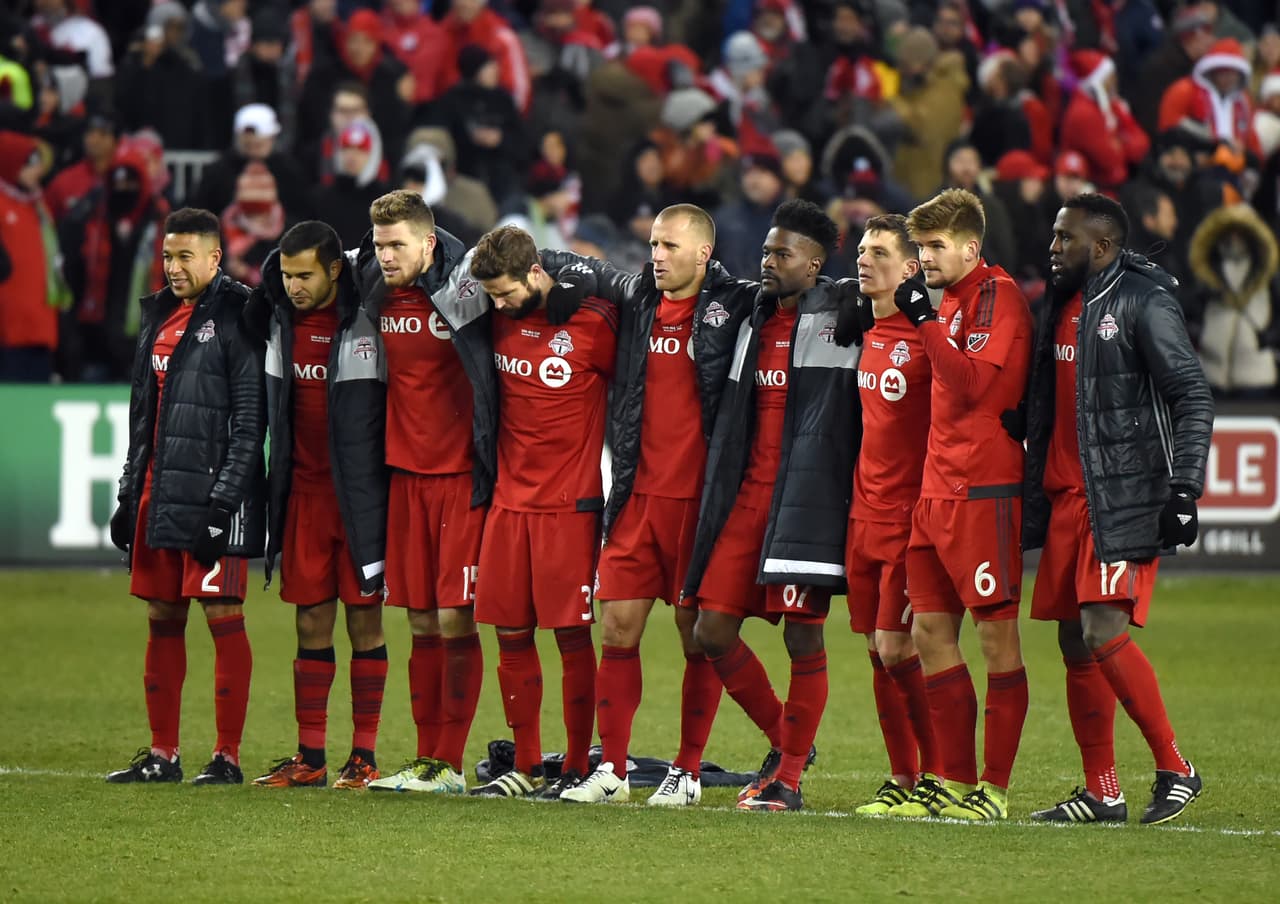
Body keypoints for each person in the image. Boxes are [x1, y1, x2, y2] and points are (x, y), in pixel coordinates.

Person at [548, 204, 755, 805]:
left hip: (698, 504)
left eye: (669, 246)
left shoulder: (735, 305)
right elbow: (582, 266)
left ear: (704, 254)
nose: (657, 256)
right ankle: (612, 770)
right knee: (616, 628)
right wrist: (545, 268)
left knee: (696, 637)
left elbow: (796, 292)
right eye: (654, 244)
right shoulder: (639, 299)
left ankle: (687, 772)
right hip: (637, 496)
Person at [1025, 194, 1214, 824]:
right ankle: (1101, 791)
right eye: (1054, 236)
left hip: (1123, 495)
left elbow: (1192, 394)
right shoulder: (1059, 303)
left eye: (1065, 238)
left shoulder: (1143, 300)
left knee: (1102, 629)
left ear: (1102, 246)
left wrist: (1184, 489)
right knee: (1073, 640)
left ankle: (1176, 767)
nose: (1053, 248)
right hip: (1066, 497)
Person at [681, 200, 863, 812]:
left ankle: (786, 781)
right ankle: (790, 745)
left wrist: (852, 292)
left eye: (782, 254)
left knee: (803, 641)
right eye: (765, 250)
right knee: (711, 629)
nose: (767, 261)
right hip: (747, 499)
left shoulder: (842, 315)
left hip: (805, 503)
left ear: (813, 265)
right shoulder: (750, 315)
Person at [105, 207, 266, 786]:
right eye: (168, 256)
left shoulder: (239, 313)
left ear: (215, 258)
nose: (173, 267)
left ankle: (227, 757)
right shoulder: (157, 314)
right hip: (160, 489)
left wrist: (224, 506)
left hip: (212, 496)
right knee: (162, 616)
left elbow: (250, 421)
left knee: (223, 616)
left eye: (185, 257)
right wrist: (129, 493)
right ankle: (162, 754)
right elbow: (142, 416)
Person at [887, 188, 1032, 820]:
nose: (925, 257)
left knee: (997, 642)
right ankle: (951, 780)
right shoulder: (945, 301)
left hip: (983, 491)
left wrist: (922, 321)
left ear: (971, 247)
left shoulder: (998, 297)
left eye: (936, 246)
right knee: (928, 633)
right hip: (935, 490)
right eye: (920, 247)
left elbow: (971, 384)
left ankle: (993, 790)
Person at [347, 191, 491, 795]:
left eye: (397, 245)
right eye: (379, 244)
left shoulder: (465, 291)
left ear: (429, 243)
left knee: (457, 618)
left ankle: (448, 763)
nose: (385, 255)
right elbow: (306, 264)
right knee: (421, 620)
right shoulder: (373, 287)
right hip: (404, 477)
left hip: (460, 479)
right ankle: (425, 757)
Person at [467, 225, 616, 800]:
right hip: (507, 505)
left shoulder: (595, 322)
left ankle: (577, 765)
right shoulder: (495, 320)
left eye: (505, 292)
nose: (498, 304)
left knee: (571, 638)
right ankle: (526, 766)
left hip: (569, 507)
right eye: (491, 296)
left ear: (535, 273)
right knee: (510, 635)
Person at [248, 221, 390, 790]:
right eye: (286, 275)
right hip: (303, 496)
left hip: (359, 498)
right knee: (309, 619)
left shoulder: (368, 319)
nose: (294, 285)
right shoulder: (277, 319)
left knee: (364, 619)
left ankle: (364, 756)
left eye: (305, 275)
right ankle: (310, 756)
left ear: (335, 269)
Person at [840, 215, 940, 816]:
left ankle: (937, 774)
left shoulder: (924, 337)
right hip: (863, 514)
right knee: (877, 652)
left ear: (909, 269)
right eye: (861, 250)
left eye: (879, 252)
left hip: (907, 517)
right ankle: (902, 777)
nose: (863, 259)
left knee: (897, 646)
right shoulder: (870, 331)